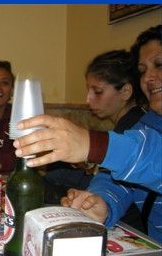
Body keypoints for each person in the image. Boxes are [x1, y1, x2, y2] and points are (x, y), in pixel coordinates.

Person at [13, 24, 162, 242]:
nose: (148, 77)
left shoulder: (135, 127)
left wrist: (93, 144)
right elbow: (113, 180)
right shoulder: (146, 126)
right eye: (142, 71)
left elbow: (151, 157)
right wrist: (101, 202)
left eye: (159, 65)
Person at [43, 50, 147, 207]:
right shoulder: (129, 122)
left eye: (97, 91)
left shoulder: (135, 131)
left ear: (125, 92)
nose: (87, 99)